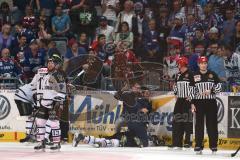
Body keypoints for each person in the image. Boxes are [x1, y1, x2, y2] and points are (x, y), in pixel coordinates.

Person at [32, 56, 66, 151]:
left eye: (52, 63)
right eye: (48, 63)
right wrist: (36, 96)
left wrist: (57, 102)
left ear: (56, 65)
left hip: (54, 103)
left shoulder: (58, 76)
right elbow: (40, 88)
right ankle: (41, 142)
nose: (49, 64)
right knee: (40, 122)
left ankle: (56, 143)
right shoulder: (44, 75)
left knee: (54, 124)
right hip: (44, 102)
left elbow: (63, 90)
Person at [191, 56, 222, 154]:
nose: (203, 65)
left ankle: (213, 146)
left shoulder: (212, 74)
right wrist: (192, 103)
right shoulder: (194, 75)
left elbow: (220, 86)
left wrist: (211, 90)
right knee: (199, 125)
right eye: (201, 63)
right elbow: (191, 90)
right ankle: (198, 146)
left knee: (212, 125)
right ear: (198, 64)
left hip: (211, 103)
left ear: (207, 64)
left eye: (205, 63)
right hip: (199, 103)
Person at [171, 56, 194, 149]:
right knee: (176, 120)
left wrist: (192, 98)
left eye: (179, 64)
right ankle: (176, 142)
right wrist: (175, 93)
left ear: (182, 64)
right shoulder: (178, 75)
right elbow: (175, 85)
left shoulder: (191, 74)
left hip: (187, 100)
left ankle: (188, 142)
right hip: (179, 100)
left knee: (187, 120)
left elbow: (195, 87)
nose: (178, 66)